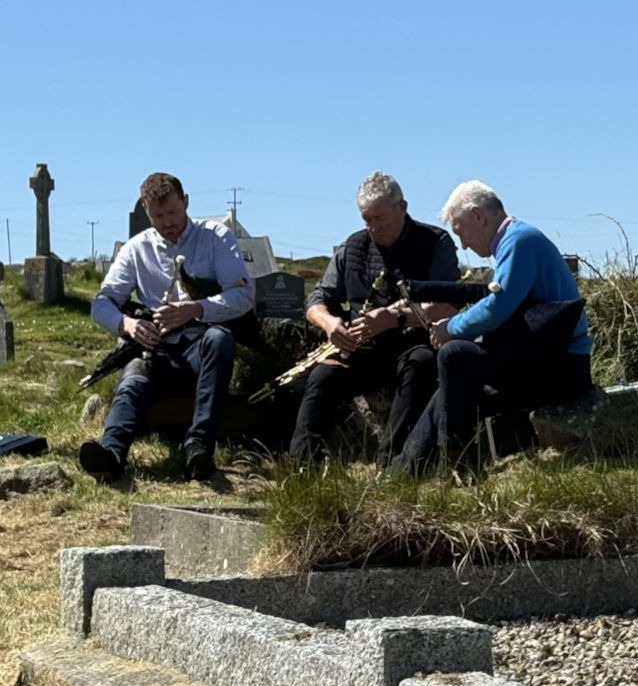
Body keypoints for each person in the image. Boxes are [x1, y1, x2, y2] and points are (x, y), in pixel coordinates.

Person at [395, 180, 592, 473]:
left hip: (560, 368)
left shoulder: (519, 241)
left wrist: (451, 328)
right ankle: (403, 473)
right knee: (450, 391)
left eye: (460, 232)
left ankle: (462, 468)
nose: (462, 244)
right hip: (542, 359)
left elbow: (499, 305)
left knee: (453, 354)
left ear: (478, 215)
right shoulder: (515, 242)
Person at [80, 172, 255, 481]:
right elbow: (101, 303)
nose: (167, 222)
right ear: (148, 213)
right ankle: (110, 455)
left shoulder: (216, 237)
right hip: (156, 353)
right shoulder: (135, 249)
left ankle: (199, 448)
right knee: (132, 382)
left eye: (173, 212)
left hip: (202, 350)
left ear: (186, 203)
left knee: (220, 338)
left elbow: (243, 295)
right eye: (158, 216)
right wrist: (128, 325)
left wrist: (198, 309)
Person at [289, 171, 460, 463]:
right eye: (366, 220)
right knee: (322, 376)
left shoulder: (435, 242)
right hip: (360, 348)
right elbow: (317, 300)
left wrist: (395, 317)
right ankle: (302, 466)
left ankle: (391, 464)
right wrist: (331, 325)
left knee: (421, 365)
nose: (373, 228)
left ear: (402, 208)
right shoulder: (353, 247)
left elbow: (448, 305)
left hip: (411, 344)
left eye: (380, 219)